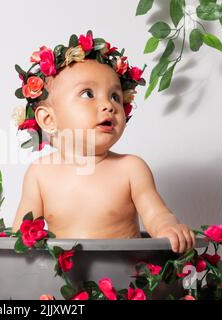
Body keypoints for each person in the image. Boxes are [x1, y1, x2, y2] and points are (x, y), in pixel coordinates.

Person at [11, 30, 195, 253]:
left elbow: (156, 214)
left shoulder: (131, 168)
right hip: (62, 283)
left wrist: (168, 227)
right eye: (88, 94)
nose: (109, 105)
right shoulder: (40, 173)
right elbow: (21, 236)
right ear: (48, 119)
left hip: (123, 281)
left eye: (115, 96)